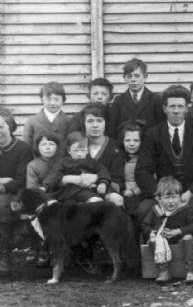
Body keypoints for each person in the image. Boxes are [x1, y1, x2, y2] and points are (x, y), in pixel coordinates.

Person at [135, 85, 193, 221]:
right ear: (165, 109)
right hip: (163, 192)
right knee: (143, 211)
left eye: (180, 106)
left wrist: (190, 193)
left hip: (192, 192)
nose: (176, 111)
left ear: (187, 108)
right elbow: (142, 170)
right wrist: (161, 195)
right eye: (172, 107)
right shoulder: (153, 134)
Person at [141, 177, 193, 284]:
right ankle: (164, 272)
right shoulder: (156, 210)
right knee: (153, 238)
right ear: (159, 198)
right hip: (163, 242)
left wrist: (178, 231)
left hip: (181, 239)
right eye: (167, 197)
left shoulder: (186, 209)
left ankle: (191, 272)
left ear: (180, 197)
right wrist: (156, 232)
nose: (171, 201)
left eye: (174, 197)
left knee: (189, 238)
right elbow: (145, 225)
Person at [0, 108, 33, 277]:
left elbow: (21, 180)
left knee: (2, 206)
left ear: (10, 128)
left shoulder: (22, 149)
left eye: (1, 127)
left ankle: (3, 257)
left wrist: (5, 184)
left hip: (17, 194)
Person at [25, 131, 61, 267]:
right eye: (43, 144)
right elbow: (32, 188)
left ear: (57, 147)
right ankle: (41, 247)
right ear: (37, 147)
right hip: (40, 200)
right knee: (37, 214)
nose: (47, 147)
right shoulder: (33, 165)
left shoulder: (61, 163)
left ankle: (53, 250)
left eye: (51, 144)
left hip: (60, 197)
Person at [43, 131, 111, 203]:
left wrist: (103, 183)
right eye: (76, 150)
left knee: (98, 201)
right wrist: (68, 179)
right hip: (69, 192)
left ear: (87, 150)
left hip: (89, 190)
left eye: (83, 150)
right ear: (69, 150)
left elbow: (102, 170)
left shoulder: (92, 162)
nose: (79, 154)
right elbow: (53, 177)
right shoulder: (63, 162)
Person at [108, 58, 165, 136]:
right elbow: (112, 130)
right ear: (124, 78)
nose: (133, 80)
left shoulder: (156, 100)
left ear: (145, 76)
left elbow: (162, 129)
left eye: (137, 76)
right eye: (129, 76)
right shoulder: (119, 101)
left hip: (150, 146)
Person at [82, 103, 125, 207]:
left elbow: (117, 181)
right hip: (79, 192)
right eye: (90, 121)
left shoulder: (115, 148)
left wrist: (97, 179)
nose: (95, 125)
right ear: (84, 123)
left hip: (107, 191)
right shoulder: (75, 144)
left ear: (106, 123)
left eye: (99, 120)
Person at [22, 81, 72, 154]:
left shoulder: (69, 121)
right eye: (48, 99)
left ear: (63, 100)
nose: (52, 103)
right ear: (42, 100)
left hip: (62, 163)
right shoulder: (32, 122)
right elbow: (26, 147)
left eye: (56, 99)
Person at [120, 121, 144, 214]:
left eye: (136, 140)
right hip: (121, 192)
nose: (131, 144)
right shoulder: (118, 157)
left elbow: (149, 179)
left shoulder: (144, 159)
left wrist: (134, 191)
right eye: (127, 140)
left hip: (138, 194)